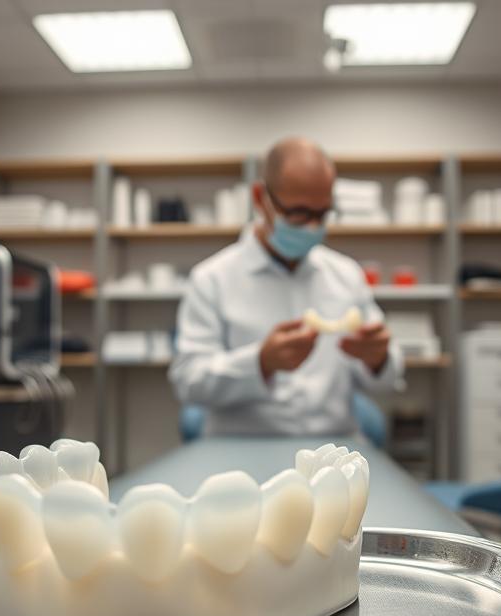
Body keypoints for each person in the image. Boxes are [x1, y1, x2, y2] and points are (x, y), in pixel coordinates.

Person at [169, 136, 404, 436]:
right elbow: (188, 381)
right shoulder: (212, 279)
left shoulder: (346, 275)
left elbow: (387, 378)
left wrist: (378, 359)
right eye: (299, 213)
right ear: (260, 198)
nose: (312, 227)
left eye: (322, 214)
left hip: (332, 452)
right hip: (244, 451)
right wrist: (260, 363)